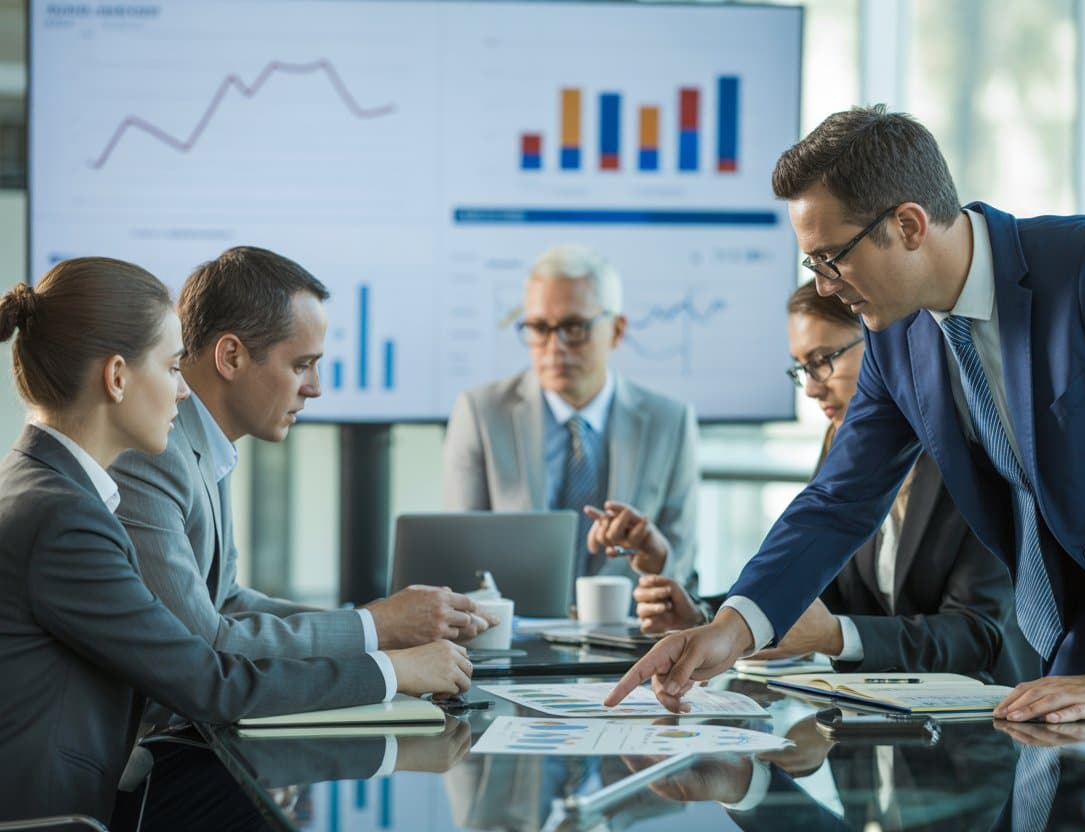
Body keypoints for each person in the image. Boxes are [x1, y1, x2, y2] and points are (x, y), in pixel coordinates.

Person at [607, 105, 1085, 731]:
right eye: (811, 263)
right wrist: (730, 630)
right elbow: (840, 499)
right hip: (1065, 654)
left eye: (830, 257)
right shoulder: (897, 338)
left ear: (908, 224)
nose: (822, 286)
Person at [0, 258, 472, 823]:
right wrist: (394, 669)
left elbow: (214, 616)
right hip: (59, 817)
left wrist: (380, 641)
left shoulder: (46, 486)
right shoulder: (65, 519)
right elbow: (211, 681)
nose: (181, 392)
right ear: (118, 377)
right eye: (173, 368)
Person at [109, 247, 491, 694]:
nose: (316, 388)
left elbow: (225, 601)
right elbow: (205, 641)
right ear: (231, 357)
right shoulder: (155, 454)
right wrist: (377, 627)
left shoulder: (200, 442)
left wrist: (383, 622)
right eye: (301, 365)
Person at [634, 283, 1037, 684]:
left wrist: (837, 637)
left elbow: (981, 634)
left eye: (823, 359)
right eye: (802, 368)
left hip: (983, 723)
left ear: (882, 344)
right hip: (883, 715)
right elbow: (820, 590)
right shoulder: (841, 449)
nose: (811, 387)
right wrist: (710, 620)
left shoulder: (972, 451)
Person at [442, 243, 699, 592]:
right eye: (538, 328)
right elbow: (459, 558)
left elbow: (682, 564)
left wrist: (658, 563)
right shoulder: (481, 413)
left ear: (617, 331)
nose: (555, 346)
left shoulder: (670, 421)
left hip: (629, 634)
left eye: (575, 327)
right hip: (514, 632)